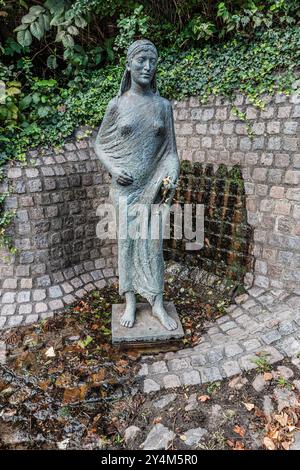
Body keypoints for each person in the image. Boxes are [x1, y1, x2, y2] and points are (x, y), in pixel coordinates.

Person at [94, 39, 180, 331]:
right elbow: (100, 145)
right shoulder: (117, 104)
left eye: (152, 61)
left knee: (153, 245)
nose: (146, 66)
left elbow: (170, 152)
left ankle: (156, 302)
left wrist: (169, 180)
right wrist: (113, 168)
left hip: (153, 189)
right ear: (128, 65)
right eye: (141, 60)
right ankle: (129, 299)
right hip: (125, 189)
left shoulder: (163, 106)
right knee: (127, 244)